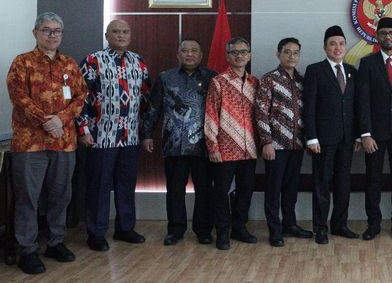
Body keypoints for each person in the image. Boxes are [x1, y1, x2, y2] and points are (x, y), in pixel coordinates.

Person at [6, 12, 87, 274]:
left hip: (63, 142)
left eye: (56, 31)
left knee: (60, 195)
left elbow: (81, 96)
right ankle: (26, 250)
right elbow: (18, 96)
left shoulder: (70, 64)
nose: (52, 35)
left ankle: (55, 242)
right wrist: (46, 120)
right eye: (46, 30)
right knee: (27, 198)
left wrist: (61, 119)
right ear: (35, 33)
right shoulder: (22, 63)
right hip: (30, 143)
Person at [77, 19, 151, 251]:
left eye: (125, 31)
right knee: (99, 185)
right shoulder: (93, 60)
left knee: (126, 184)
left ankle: (125, 228)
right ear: (107, 35)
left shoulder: (138, 62)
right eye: (116, 32)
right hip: (101, 136)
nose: (121, 35)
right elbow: (80, 97)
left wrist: (145, 131)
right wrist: (83, 129)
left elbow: (146, 99)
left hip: (130, 136)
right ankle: (96, 232)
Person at [141, 39, 216, 246]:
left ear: (201, 55)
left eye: (194, 50)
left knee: (204, 189)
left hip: (204, 145)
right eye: (185, 50)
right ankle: (175, 229)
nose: (189, 54)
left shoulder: (212, 78)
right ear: (178, 54)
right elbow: (153, 108)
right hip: (174, 144)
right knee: (174, 189)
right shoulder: (166, 77)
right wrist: (147, 134)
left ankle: (203, 230)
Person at [356, 17, 392, 241]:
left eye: (391, 33)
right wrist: (365, 134)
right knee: (373, 179)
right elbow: (363, 101)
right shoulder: (367, 63)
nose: (387, 37)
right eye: (383, 33)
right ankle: (373, 224)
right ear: (377, 36)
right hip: (375, 136)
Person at [303, 25, 359, 244]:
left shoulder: (353, 71)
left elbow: (356, 106)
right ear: (325, 47)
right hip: (323, 140)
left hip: (347, 139)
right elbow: (309, 107)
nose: (338, 47)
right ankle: (320, 228)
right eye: (333, 43)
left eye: (341, 43)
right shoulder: (315, 70)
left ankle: (340, 224)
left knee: (343, 183)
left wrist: (357, 135)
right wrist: (312, 137)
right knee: (322, 184)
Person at [256, 37, 312, 247]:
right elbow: (261, 113)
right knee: (274, 189)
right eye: (287, 52)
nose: (291, 56)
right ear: (278, 54)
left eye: (295, 52)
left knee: (291, 188)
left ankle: (290, 224)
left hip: (296, 145)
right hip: (276, 146)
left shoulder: (302, 80)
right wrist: (266, 142)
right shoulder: (269, 79)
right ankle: (275, 230)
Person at [204, 37, 259, 250]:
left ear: (249, 56)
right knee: (221, 193)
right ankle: (223, 232)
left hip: (249, 148)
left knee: (245, 191)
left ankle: (240, 228)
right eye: (235, 52)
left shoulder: (255, 83)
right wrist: (213, 147)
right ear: (228, 56)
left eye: (243, 52)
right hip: (225, 149)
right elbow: (210, 116)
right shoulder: (218, 82)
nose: (239, 56)